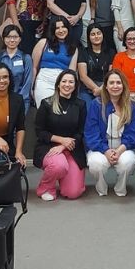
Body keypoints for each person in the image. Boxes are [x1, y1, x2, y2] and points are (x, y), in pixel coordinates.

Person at [84, 69, 135, 197]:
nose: (115, 86)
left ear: (123, 85)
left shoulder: (131, 106)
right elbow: (91, 133)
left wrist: (120, 150)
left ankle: (121, 187)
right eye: (111, 83)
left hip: (123, 147)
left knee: (128, 162)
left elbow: (134, 134)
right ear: (105, 86)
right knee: (96, 164)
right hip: (100, 147)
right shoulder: (96, 105)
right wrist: (105, 150)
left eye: (118, 83)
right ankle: (101, 187)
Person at [34, 69, 87, 201]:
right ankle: (46, 187)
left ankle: (63, 178)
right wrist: (61, 140)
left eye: (71, 82)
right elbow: (39, 131)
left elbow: (81, 132)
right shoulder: (46, 103)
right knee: (59, 166)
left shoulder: (81, 105)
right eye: (64, 81)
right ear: (58, 84)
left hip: (72, 149)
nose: (67, 85)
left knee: (73, 193)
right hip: (49, 147)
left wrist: (64, 146)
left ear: (75, 85)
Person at [31, 16, 79, 107]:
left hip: (63, 83)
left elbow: (71, 72)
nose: (61, 30)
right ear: (53, 30)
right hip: (44, 81)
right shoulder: (44, 42)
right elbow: (33, 67)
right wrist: (31, 87)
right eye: (57, 28)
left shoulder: (73, 48)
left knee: (59, 113)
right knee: (44, 110)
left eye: (63, 27)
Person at [0, 24, 33, 107]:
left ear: (20, 39)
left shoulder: (26, 58)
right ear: (3, 39)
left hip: (21, 100)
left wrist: (20, 99)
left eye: (15, 37)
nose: (12, 40)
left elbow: (28, 81)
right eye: (8, 37)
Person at [76, 23, 114, 106]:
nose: (96, 36)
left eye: (98, 33)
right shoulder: (83, 52)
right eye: (93, 34)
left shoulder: (111, 52)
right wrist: (96, 89)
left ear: (103, 35)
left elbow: (110, 74)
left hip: (106, 88)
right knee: (88, 108)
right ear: (88, 37)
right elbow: (83, 76)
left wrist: (102, 90)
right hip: (86, 89)